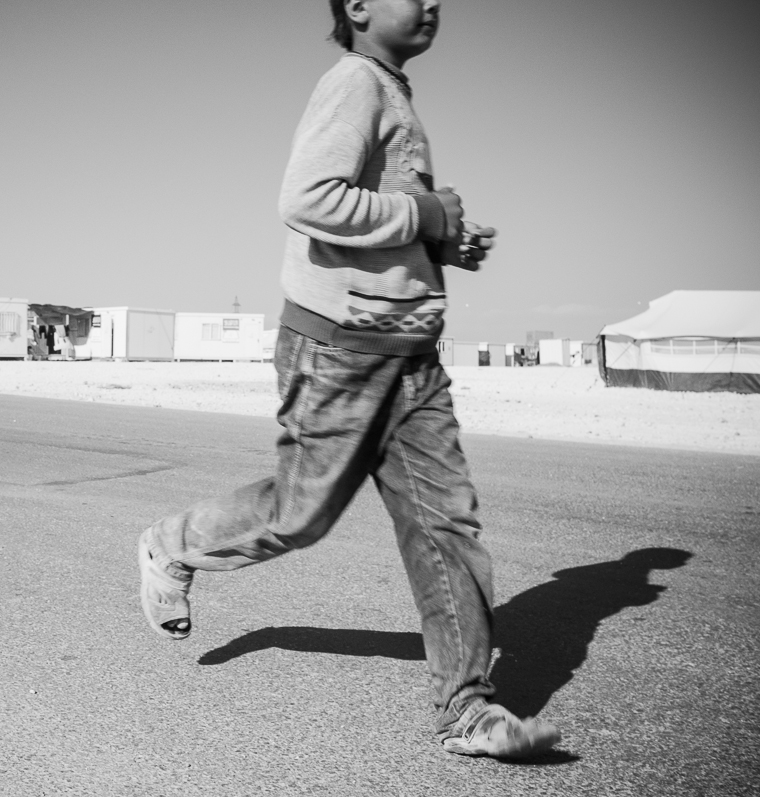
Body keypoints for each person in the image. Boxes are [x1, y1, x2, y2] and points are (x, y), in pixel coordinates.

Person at [137, 0, 560, 759]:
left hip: (411, 357)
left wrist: (442, 241)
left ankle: (467, 707)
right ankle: (172, 543)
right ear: (359, 6)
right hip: (339, 350)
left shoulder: (396, 90)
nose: (432, 2)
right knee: (301, 513)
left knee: (446, 526)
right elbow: (307, 199)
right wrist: (424, 212)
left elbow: (374, 224)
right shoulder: (354, 83)